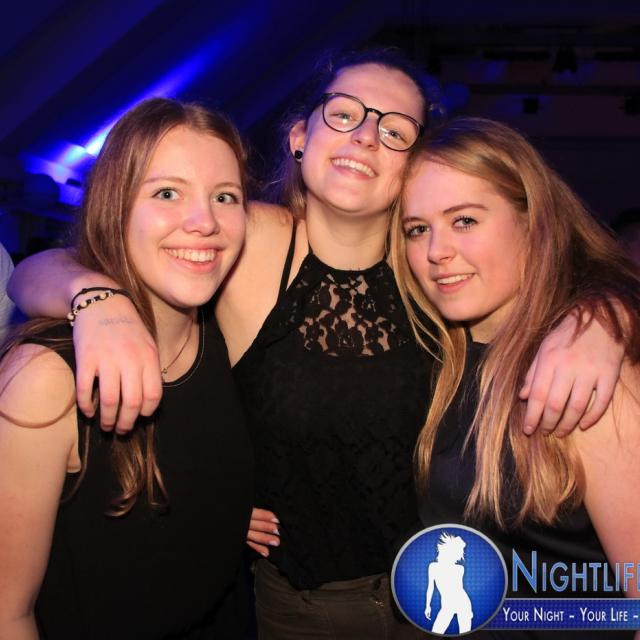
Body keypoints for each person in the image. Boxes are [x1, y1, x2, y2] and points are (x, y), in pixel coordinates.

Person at [7, 50, 628, 638]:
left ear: (412, 168)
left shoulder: (436, 264)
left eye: (395, 131)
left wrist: (601, 319)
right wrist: (98, 301)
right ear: (300, 135)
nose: (366, 137)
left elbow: (568, 266)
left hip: (450, 593)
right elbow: (44, 267)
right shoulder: (237, 237)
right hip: (302, 611)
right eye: (345, 114)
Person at [0, 98, 254, 639]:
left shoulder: (223, 329)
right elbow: (6, 611)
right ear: (115, 206)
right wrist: (93, 295)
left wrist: (223, 515)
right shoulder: (44, 378)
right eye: (167, 193)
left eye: (224, 197)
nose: (205, 222)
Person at [390, 117, 640, 638]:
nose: (436, 251)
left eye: (464, 220)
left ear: (533, 223)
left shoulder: (582, 378)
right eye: (417, 229)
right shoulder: (440, 355)